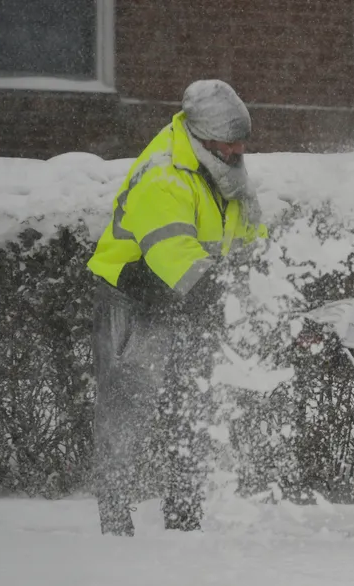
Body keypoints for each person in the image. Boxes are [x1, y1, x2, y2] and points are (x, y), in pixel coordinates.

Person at [86, 80, 266, 535]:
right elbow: (174, 256)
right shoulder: (163, 176)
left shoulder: (228, 174)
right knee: (127, 411)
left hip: (189, 297)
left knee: (192, 406)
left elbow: (251, 243)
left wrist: (263, 292)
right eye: (230, 142)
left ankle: (184, 517)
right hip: (133, 296)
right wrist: (221, 299)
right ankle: (114, 522)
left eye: (242, 141)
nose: (238, 150)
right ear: (203, 139)